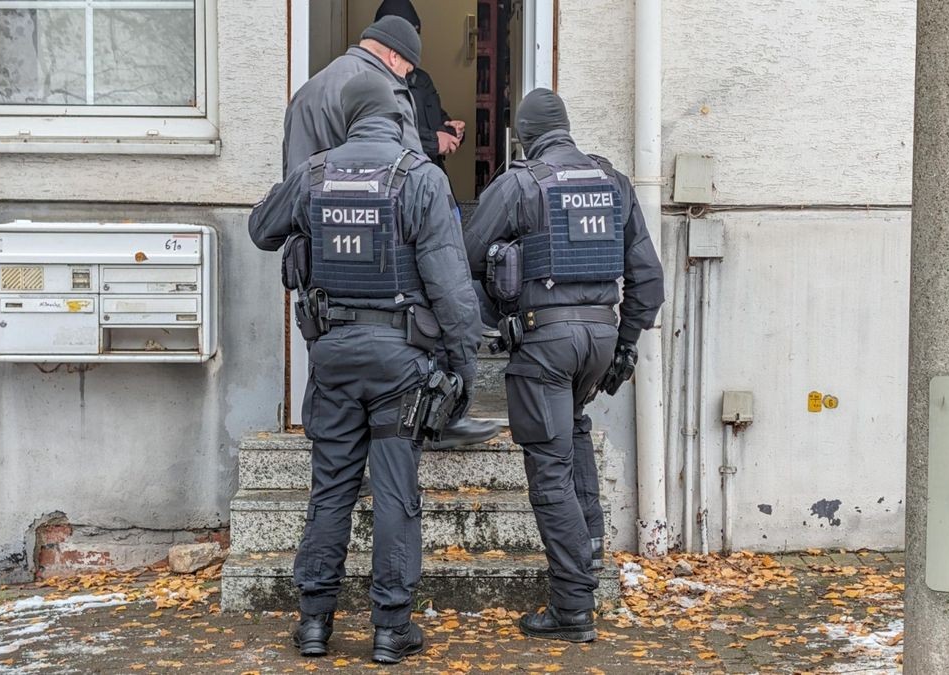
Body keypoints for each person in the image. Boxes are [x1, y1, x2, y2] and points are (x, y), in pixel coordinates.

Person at [250, 72, 483, 664]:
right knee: (396, 492)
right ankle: (390, 628)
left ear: (348, 119)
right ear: (397, 116)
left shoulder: (315, 173)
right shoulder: (421, 178)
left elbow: (260, 230)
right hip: (401, 363)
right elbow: (453, 293)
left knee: (330, 488)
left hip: (331, 357)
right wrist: (462, 372)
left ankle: (313, 625)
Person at [463, 89, 664, 642]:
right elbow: (648, 279)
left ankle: (573, 607)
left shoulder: (519, 184)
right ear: (567, 128)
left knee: (549, 471)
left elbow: (463, 260)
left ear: (524, 136)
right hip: (598, 339)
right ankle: (589, 561)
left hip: (544, 343)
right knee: (573, 438)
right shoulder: (613, 182)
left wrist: (497, 321)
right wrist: (623, 346)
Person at [282, 15, 424, 177]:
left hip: (305, 201)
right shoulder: (388, 93)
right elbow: (415, 174)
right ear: (394, 57)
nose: (404, 79)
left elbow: (289, 169)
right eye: (407, 71)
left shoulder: (303, 93)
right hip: (365, 200)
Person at [374, 0, 467, 170]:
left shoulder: (421, 79)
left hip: (431, 176)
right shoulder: (371, 81)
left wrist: (453, 130)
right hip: (394, 180)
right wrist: (434, 141)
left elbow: (438, 118)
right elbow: (382, 135)